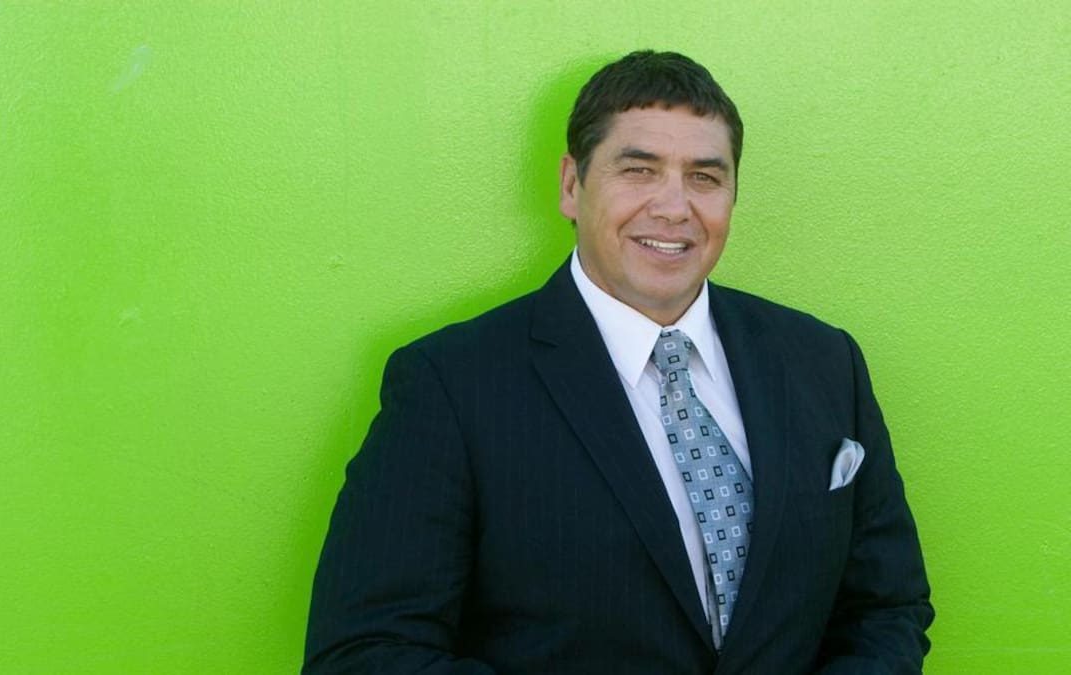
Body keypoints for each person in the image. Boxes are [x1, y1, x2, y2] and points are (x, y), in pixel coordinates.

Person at [303, 50, 933, 674]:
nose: (674, 207)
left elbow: (886, 608)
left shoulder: (823, 361)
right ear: (571, 186)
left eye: (705, 177)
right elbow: (364, 652)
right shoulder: (451, 384)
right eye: (638, 170)